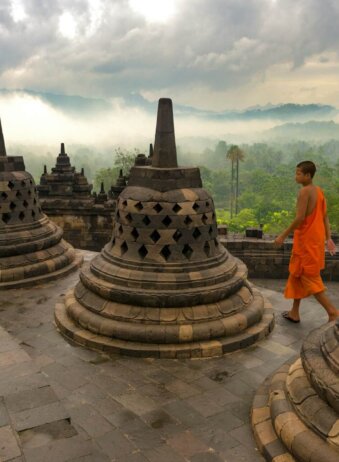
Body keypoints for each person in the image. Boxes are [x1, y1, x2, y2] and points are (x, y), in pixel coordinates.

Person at [274, 160, 338, 323]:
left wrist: (283, 235)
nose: (296, 176)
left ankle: (332, 312)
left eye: (298, 173)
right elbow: (325, 216)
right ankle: (294, 312)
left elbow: (300, 218)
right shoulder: (319, 191)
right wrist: (328, 238)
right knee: (297, 274)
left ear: (308, 175)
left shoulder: (305, 192)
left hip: (306, 241)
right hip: (315, 239)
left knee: (310, 277)